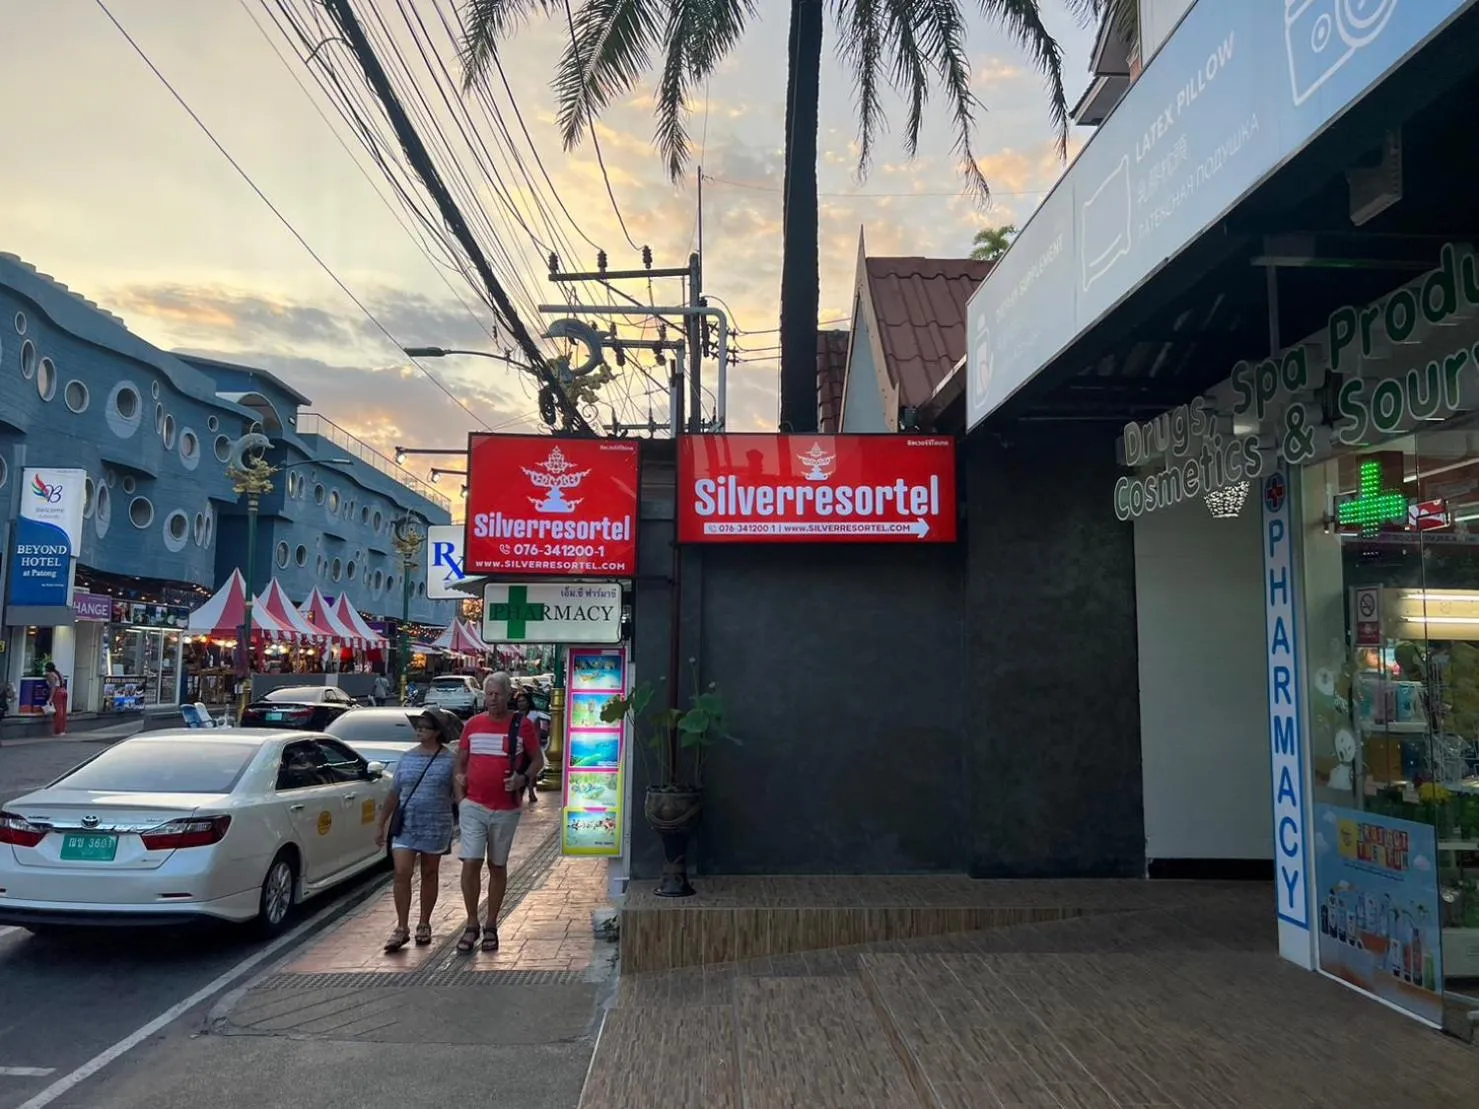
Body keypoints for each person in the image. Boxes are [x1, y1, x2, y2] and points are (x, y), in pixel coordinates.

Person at [453, 671, 544, 953]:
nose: (493, 699)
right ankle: (471, 923)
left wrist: (521, 779)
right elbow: (460, 764)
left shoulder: (522, 726)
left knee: (497, 865)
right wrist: (461, 800)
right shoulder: (472, 725)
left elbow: (538, 761)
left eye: (498, 694)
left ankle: (491, 923)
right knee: (471, 861)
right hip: (474, 806)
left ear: (508, 696)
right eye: (489, 694)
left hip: (506, 808)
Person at [375, 709, 458, 951]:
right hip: (406, 825)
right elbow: (394, 793)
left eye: (425, 727)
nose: (419, 730)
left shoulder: (449, 760)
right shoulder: (407, 758)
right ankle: (401, 927)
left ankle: (424, 922)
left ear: (437, 732)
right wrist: (381, 823)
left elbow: (457, 792)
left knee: (430, 874)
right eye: (418, 726)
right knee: (402, 873)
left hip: (436, 825)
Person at [512, 688, 544, 803]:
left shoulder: (534, 715)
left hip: (530, 746)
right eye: (519, 701)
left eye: (523, 701)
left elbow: (537, 731)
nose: (521, 703)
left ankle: (530, 791)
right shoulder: (514, 716)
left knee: (531, 770)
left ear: (528, 702)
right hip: (519, 747)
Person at [44, 663, 67, 737]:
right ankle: (62, 730)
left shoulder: (51, 675)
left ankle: (58, 731)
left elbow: (53, 687)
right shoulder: (59, 673)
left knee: (58, 712)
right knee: (63, 711)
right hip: (64, 691)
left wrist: (50, 698)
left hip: (58, 692)